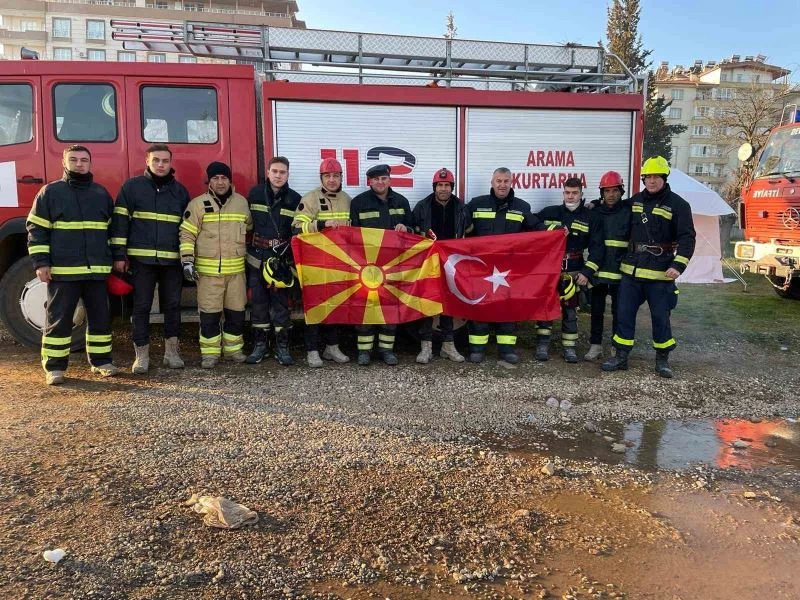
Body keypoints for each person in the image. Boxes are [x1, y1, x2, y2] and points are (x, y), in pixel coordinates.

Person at [27, 145, 120, 385]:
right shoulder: (50, 192)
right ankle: (55, 367)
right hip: (64, 271)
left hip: (97, 272)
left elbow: (113, 231)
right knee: (59, 319)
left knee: (101, 318)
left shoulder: (100, 193)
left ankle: (102, 362)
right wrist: (41, 262)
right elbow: (36, 229)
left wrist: (115, 258)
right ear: (64, 163)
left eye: (84, 160)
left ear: (90, 163)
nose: (80, 164)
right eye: (74, 160)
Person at [602, 156, 695, 378]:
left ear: (664, 177)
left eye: (656, 177)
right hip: (632, 271)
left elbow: (687, 238)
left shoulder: (679, 205)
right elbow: (614, 209)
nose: (651, 181)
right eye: (648, 177)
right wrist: (595, 204)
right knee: (624, 314)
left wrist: (678, 265)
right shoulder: (635, 201)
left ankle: (662, 360)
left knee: (660, 317)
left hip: (661, 273)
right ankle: (621, 356)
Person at [111, 143, 190, 373]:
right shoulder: (132, 188)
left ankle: (171, 353)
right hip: (141, 261)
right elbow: (120, 223)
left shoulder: (180, 191)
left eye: (165, 161)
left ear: (171, 163)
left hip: (171, 261)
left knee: (173, 306)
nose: (161, 164)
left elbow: (187, 228)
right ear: (147, 161)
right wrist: (119, 254)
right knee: (142, 306)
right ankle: (142, 356)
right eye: (156, 160)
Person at [464, 167, 547, 364]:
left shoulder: (521, 207)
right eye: (498, 181)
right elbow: (461, 226)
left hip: (509, 270)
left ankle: (507, 350)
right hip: (481, 268)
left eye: (506, 181)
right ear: (492, 182)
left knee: (507, 308)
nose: (502, 184)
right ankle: (477, 349)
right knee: (480, 306)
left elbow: (537, 229)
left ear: (512, 182)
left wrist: (557, 231)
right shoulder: (476, 204)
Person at [179, 161, 252, 369]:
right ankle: (210, 354)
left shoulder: (241, 203)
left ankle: (233, 350)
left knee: (236, 313)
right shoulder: (197, 204)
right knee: (209, 315)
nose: (220, 182)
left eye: (224, 178)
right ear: (209, 181)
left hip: (236, 273)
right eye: (215, 178)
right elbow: (187, 234)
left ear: (230, 180)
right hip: (208, 274)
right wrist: (187, 261)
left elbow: (249, 227)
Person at [349, 163, 413, 366]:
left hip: (393, 266)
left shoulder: (401, 202)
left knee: (389, 307)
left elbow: (413, 232)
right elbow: (350, 237)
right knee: (366, 308)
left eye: (383, 178)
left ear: (389, 180)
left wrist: (407, 227)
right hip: (366, 266)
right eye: (376, 179)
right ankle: (364, 351)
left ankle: (387, 350)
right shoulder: (358, 202)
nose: (380, 182)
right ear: (370, 181)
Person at [534, 177, 604, 363]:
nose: (570, 196)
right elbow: (530, 223)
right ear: (563, 193)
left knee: (570, 311)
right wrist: (550, 228)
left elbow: (598, 248)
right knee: (545, 308)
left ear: (581, 194)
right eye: (567, 192)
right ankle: (542, 345)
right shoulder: (552, 212)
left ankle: (569, 348)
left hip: (574, 271)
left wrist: (587, 272)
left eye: (574, 193)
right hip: (550, 271)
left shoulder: (591, 217)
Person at [291, 157, 352, 367]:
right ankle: (312, 350)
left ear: (341, 177)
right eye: (328, 176)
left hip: (339, 263)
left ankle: (332, 348)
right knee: (314, 307)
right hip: (315, 263)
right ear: (321, 178)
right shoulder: (310, 199)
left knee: (335, 306)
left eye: (336, 175)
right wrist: (323, 223)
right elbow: (296, 228)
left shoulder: (347, 199)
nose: (332, 180)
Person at [244, 157, 301, 366]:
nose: (278, 175)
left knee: (282, 305)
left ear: (288, 174)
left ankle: (282, 348)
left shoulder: (295, 199)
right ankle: (260, 347)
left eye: (283, 172)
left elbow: (297, 231)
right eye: (275, 171)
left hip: (281, 261)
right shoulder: (254, 194)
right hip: (257, 258)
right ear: (267, 172)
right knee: (258, 304)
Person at [411, 168, 466, 364]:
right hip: (428, 263)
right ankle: (426, 347)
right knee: (428, 302)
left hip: (451, 263)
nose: (443, 189)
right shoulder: (422, 207)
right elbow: (411, 233)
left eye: (447, 185)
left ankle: (448, 345)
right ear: (434, 187)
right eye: (440, 185)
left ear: (452, 187)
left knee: (448, 304)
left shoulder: (461, 208)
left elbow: (468, 235)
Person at [584, 171, 631, 361]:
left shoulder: (629, 211)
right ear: (601, 193)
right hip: (598, 270)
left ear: (621, 191)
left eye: (614, 190)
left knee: (619, 312)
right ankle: (595, 346)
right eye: (607, 191)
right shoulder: (595, 212)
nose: (611, 194)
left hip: (621, 271)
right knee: (596, 311)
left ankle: (615, 346)